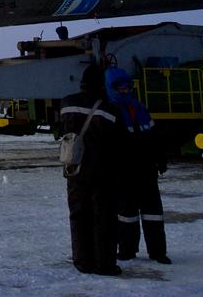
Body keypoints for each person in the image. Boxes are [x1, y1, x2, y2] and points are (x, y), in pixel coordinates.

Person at [60, 63, 125, 276]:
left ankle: (82, 261)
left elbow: (64, 131)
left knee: (78, 216)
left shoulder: (67, 103)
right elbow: (120, 141)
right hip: (103, 172)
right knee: (104, 218)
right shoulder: (110, 110)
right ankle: (104, 264)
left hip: (75, 169)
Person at [105, 67, 170, 264]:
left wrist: (160, 158)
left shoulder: (139, 108)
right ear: (111, 88)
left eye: (127, 88)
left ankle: (158, 251)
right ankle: (127, 249)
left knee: (153, 214)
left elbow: (154, 136)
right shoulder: (110, 111)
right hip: (124, 171)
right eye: (120, 88)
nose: (125, 91)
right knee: (126, 214)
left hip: (147, 169)